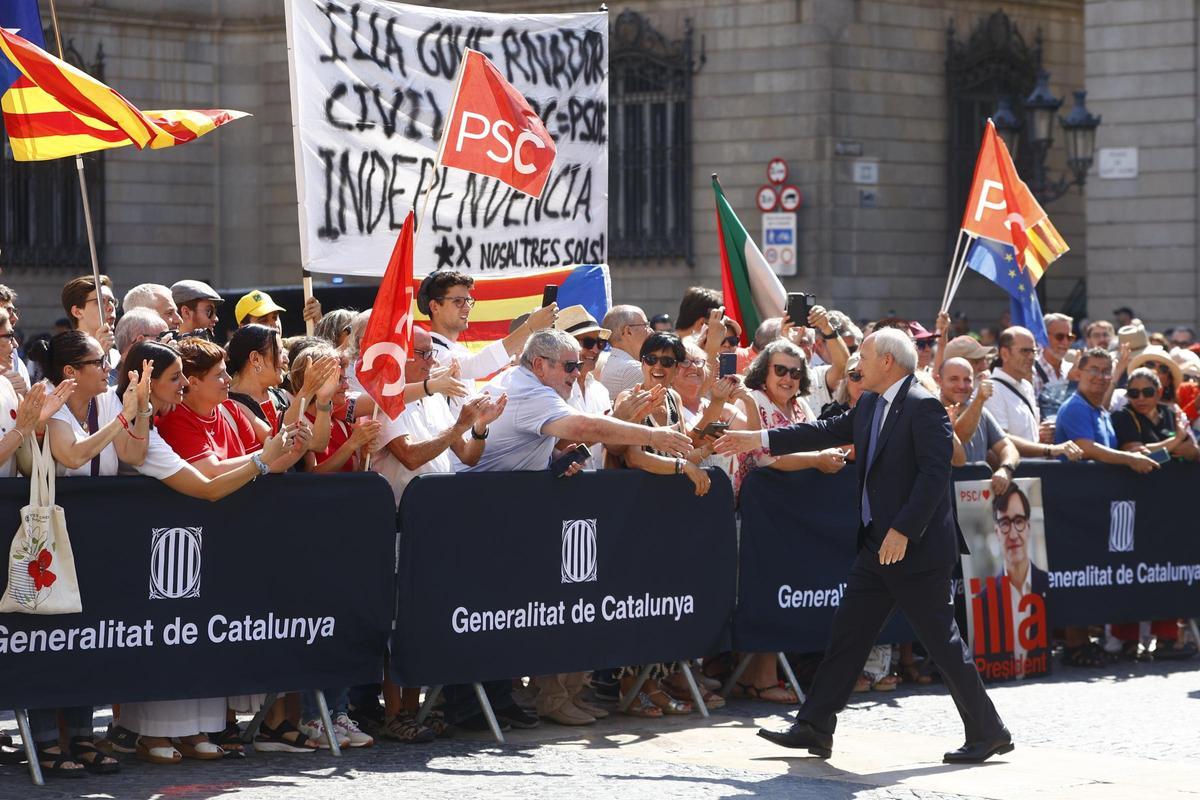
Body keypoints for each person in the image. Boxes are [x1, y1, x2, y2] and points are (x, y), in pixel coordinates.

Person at [716, 328, 1011, 764]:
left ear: (888, 362)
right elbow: (823, 430)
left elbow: (934, 476)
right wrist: (757, 440)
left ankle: (988, 731)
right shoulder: (871, 401)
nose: (857, 364)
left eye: (864, 356)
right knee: (848, 637)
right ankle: (814, 726)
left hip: (915, 550)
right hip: (877, 546)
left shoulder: (922, 405)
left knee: (943, 643)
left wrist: (903, 531)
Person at [25, 329, 154, 776]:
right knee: (48, 637)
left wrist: (141, 411)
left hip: (100, 533)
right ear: (70, 372)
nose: (108, 368)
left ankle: (81, 735)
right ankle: (45, 740)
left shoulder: (109, 402)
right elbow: (73, 455)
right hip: (53, 535)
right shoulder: (50, 399)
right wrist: (121, 421)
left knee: (87, 636)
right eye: (98, 362)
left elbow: (133, 454)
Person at [417, 270, 555, 381]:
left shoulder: (458, 350)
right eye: (458, 301)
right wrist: (529, 327)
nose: (467, 308)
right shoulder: (430, 352)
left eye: (468, 301)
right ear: (435, 307)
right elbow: (478, 364)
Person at [986, 327, 1081, 461]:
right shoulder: (993, 389)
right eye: (1025, 351)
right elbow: (1000, 439)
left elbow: (1025, 434)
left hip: (1034, 472)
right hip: (1013, 475)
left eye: (1034, 351)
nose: (1031, 357)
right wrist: (1050, 450)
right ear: (1005, 354)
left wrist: (1040, 434)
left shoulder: (1026, 386)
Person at [937, 358, 1020, 494]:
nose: (962, 385)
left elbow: (1007, 446)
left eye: (967, 380)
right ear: (939, 381)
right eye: (954, 379)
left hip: (979, 501)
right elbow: (961, 439)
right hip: (945, 501)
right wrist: (979, 400)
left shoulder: (981, 412)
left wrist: (1006, 469)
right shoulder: (931, 412)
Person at [554, 305, 612, 470]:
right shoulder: (550, 390)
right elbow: (554, 447)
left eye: (600, 343)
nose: (595, 349)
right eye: (587, 342)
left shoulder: (600, 390)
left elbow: (609, 451)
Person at [61, 275, 119, 378]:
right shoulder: (63, 355)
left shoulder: (118, 356)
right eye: (100, 302)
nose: (110, 307)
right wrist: (98, 355)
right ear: (77, 312)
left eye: (112, 301)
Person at [599, 305, 653, 396]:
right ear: (628, 331)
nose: (651, 331)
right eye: (646, 325)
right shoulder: (634, 369)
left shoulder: (614, 363)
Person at [1035, 313, 1074, 414]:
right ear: (1044, 336)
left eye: (1069, 337)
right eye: (1060, 336)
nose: (1065, 342)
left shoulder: (1071, 370)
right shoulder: (1031, 371)